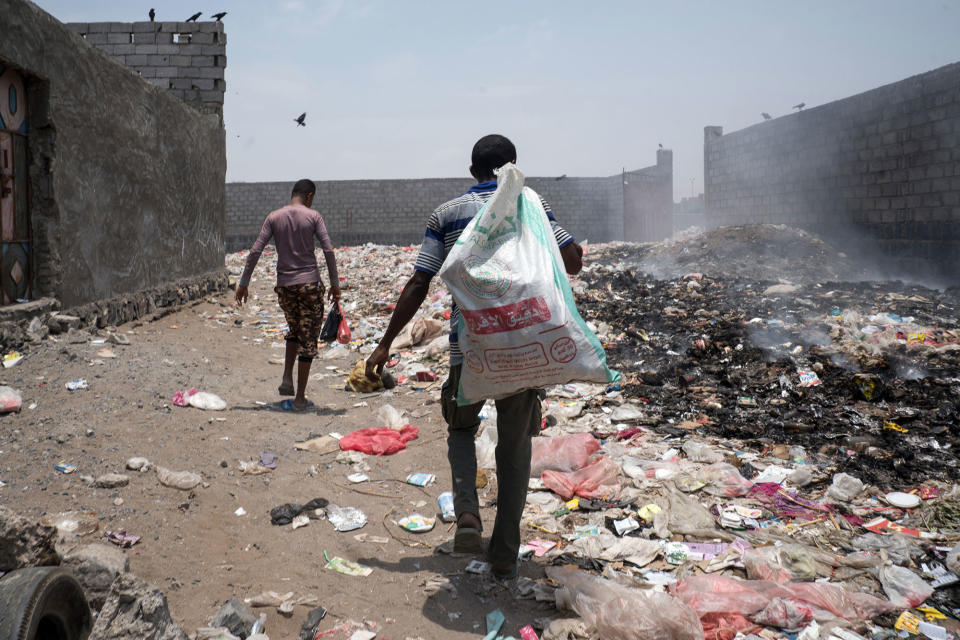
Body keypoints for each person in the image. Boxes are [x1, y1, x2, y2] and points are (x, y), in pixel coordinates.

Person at [365, 135, 583, 580]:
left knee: (461, 430)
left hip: (470, 350)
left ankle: (467, 516)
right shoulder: (532, 205)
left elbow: (419, 282)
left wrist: (386, 342)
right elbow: (572, 261)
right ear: (514, 168)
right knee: (515, 447)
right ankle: (504, 552)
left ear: (473, 172)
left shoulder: (446, 214)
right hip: (525, 348)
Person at [236, 179, 341, 410]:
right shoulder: (313, 217)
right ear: (310, 196)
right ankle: (300, 398)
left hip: (285, 287)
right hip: (309, 285)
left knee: (295, 328)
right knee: (308, 339)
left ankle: (286, 378)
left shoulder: (273, 217)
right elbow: (328, 250)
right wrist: (335, 284)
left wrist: (243, 283)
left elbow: (255, 250)